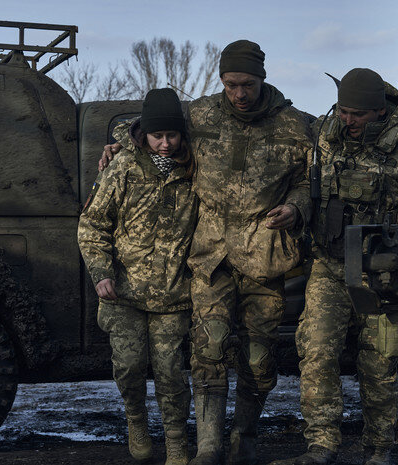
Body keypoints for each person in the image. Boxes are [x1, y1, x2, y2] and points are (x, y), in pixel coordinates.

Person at [101, 40, 312, 465]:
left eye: (247, 84)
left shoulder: (295, 125)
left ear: (262, 78)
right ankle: (209, 446)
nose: (239, 93)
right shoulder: (199, 114)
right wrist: (118, 145)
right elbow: (154, 131)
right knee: (209, 348)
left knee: (258, 356)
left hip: (264, 255)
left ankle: (245, 437)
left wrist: (296, 207)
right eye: (231, 84)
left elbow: (310, 180)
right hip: (210, 254)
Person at [271, 68, 398, 465]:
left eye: (357, 114)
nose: (347, 120)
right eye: (343, 110)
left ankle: (378, 450)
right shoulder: (324, 133)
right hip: (330, 266)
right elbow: (283, 143)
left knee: (379, 361)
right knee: (315, 350)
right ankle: (321, 446)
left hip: (383, 272)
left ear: (379, 112)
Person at [78, 88, 197, 465]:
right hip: (124, 294)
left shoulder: (195, 168)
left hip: (173, 294)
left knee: (170, 373)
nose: (165, 144)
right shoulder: (123, 167)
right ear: (142, 132)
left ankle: (176, 441)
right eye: (157, 136)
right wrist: (100, 273)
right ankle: (136, 422)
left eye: (172, 135)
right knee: (128, 367)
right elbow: (93, 225)